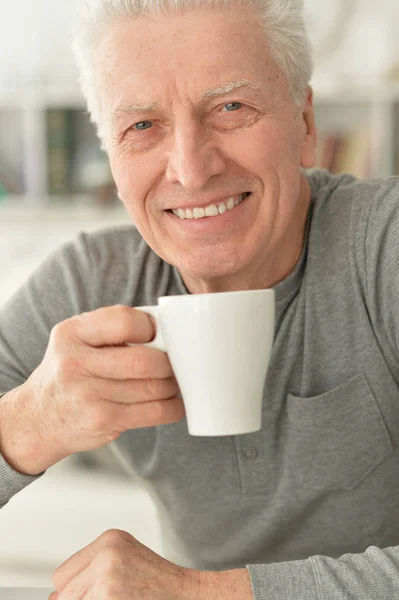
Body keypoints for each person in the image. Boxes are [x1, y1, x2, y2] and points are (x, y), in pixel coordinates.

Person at [0, 0, 399, 597]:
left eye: (231, 108)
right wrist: (29, 423)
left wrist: (201, 593)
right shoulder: (87, 285)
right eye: (141, 126)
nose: (190, 169)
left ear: (306, 125)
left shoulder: (384, 249)